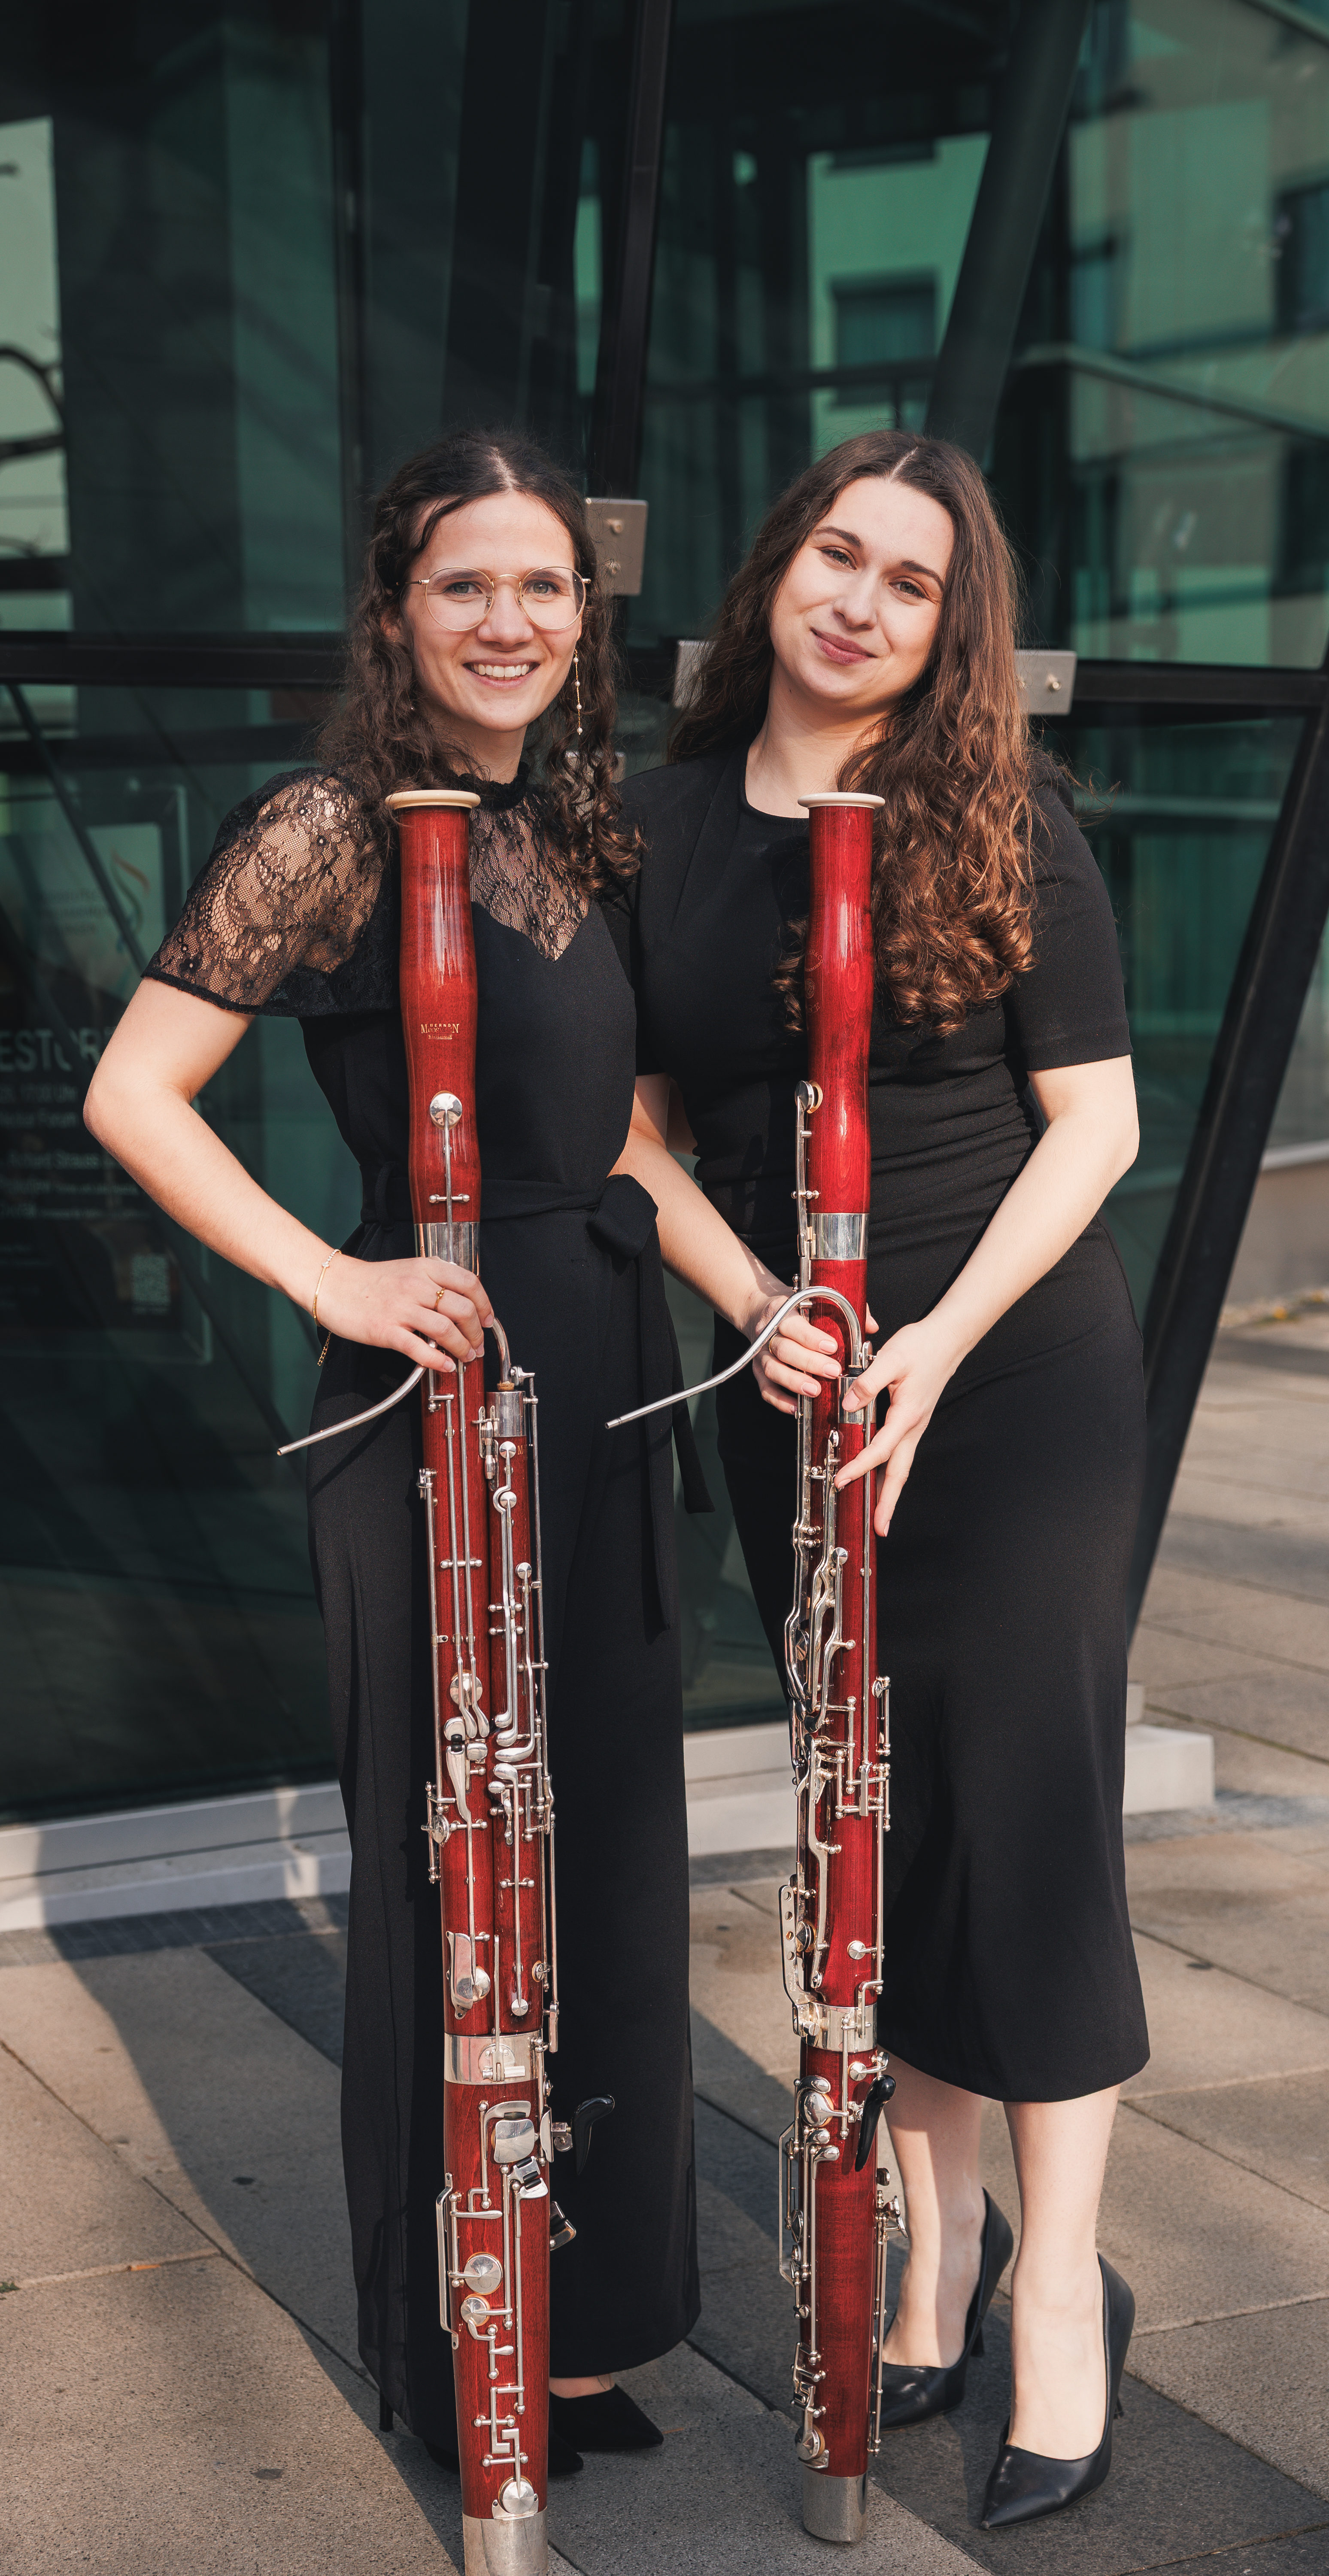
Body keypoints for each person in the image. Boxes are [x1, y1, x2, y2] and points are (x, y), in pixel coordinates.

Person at [85, 428, 699, 2472]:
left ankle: (578, 2328)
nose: (509, 622)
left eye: (544, 588)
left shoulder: (575, 829)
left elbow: (616, 1139)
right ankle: (454, 2351)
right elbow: (136, 1095)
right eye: (466, 586)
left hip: (599, 1372)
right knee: (459, 1875)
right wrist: (333, 1288)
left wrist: (759, 1299)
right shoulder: (329, 828)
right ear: (397, 610)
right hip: (431, 1379)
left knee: (599, 1864)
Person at [610, 429, 1149, 2528]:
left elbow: (1092, 1129)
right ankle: (936, 2256)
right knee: (878, 1825)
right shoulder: (661, 827)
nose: (860, 599)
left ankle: (1062, 2302)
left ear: (949, 630)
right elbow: (638, 1131)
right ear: (776, 571)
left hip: (1008, 1383)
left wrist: (937, 1340)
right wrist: (755, 1301)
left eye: (909, 582)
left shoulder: (1000, 811)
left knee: (1018, 1824)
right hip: (799, 1375)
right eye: (839, 553)